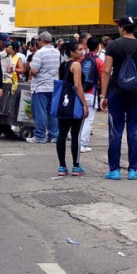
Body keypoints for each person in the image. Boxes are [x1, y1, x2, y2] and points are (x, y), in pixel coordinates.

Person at [99, 16, 137, 181]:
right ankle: (133, 170)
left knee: (115, 130)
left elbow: (106, 71)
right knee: (134, 130)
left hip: (116, 91)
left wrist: (103, 95)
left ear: (122, 28)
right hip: (136, 92)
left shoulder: (113, 46)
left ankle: (114, 170)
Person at [55, 40, 89, 176]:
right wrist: (84, 104)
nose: (82, 51)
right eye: (79, 49)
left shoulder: (62, 65)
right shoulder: (76, 65)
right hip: (74, 102)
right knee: (75, 135)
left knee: (62, 135)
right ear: (72, 52)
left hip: (63, 103)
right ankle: (76, 165)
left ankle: (62, 166)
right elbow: (77, 85)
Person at [27, 31, 61, 144]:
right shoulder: (57, 52)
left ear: (41, 40)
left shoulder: (39, 53)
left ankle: (40, 135)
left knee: (40, 111)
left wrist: (31, 70)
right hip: (53, 86)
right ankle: (54, 135)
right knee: (52, 112)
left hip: (40, 86)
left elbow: (34, 71)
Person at [79, 36, 104, 154]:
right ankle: (83, 144)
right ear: (98, 46)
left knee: (79, 119)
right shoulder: (99, 61)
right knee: (88, 120)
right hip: (91, 93)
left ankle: (77, 141)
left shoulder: (81, 59)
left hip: (79, 91)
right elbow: (102, 78)